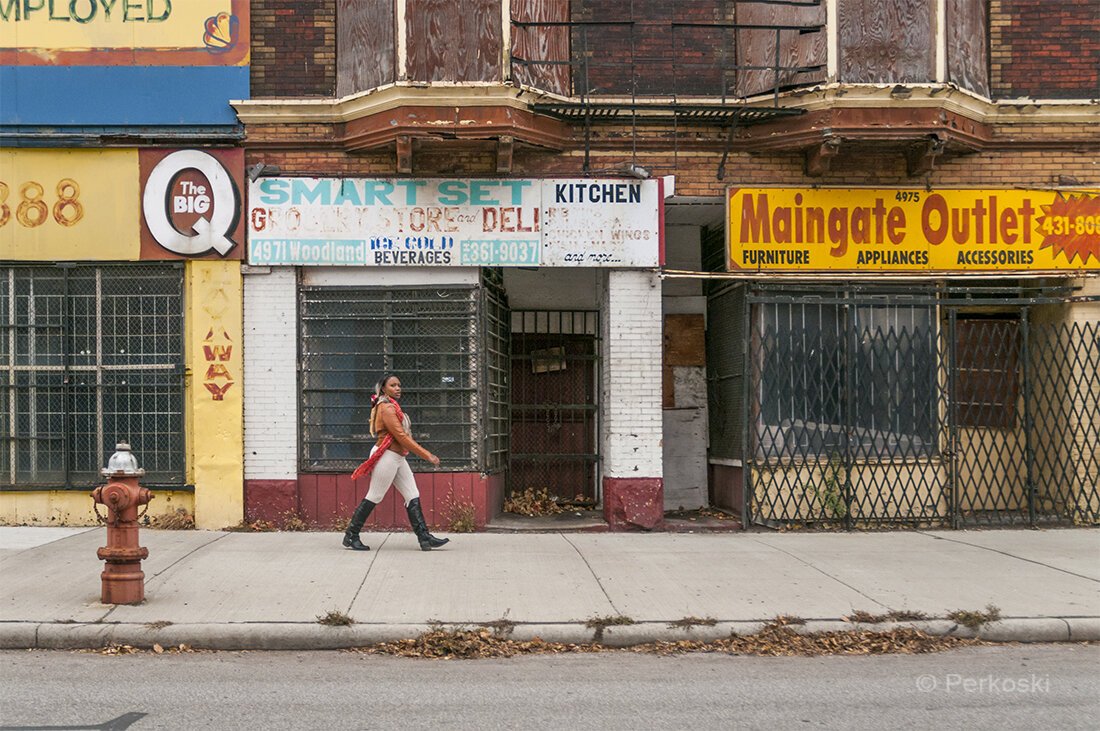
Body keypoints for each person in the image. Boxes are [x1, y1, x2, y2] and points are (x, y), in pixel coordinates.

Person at [342, 374, 450, 552]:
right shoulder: (386, 408)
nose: (398, 388)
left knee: (412, 494)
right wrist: (427, 455)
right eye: (393, 385)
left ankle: (424, 538)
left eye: (399, 385)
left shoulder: (393, 406)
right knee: (375, 495)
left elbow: (402, 438)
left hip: (397, 457)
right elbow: (401, 436)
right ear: (384, 389)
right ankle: (351, 535)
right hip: (386, 456)